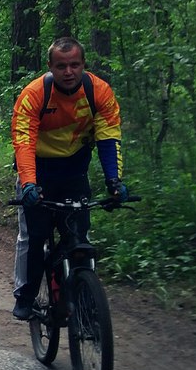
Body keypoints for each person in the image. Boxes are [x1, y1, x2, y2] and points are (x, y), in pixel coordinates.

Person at [10, 36, 129, 320]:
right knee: (33, 237)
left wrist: (114, 182)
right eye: (61, 66)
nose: (68, 72)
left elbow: (109, 138)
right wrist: (28, 184)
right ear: (50, 67)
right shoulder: (34, 94)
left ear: (83, 65)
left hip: (74, 171)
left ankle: (84, 297)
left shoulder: (98, 92)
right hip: (38, 171)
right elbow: (24, 141)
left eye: (75, 65)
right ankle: (25, 295)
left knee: (79, 235)